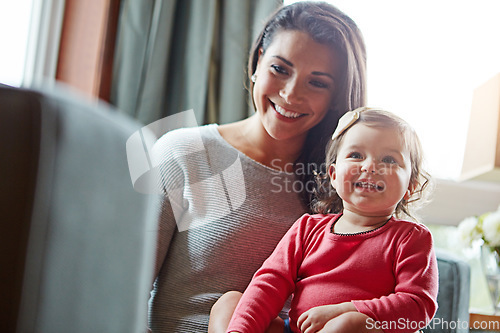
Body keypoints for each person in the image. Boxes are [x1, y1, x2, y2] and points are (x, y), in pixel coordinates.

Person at [148, 2, 367, 332]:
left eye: (317, 83)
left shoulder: (344, 188)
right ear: (259, 59)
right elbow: (119, 294)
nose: (290, 94)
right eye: (280, 69)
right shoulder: (184, 152)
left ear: (336, 96)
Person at [209, 107, 438, 333]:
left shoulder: (411, 238)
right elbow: (271, 282)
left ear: (410, 186)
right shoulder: (307, 228)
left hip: (359, 329)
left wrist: (346, 311)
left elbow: (418, 304)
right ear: (334, 175)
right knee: (229, 304)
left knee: (351, 324)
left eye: (389, 159)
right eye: (356, 155)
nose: (370, 167)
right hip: (296, 329)